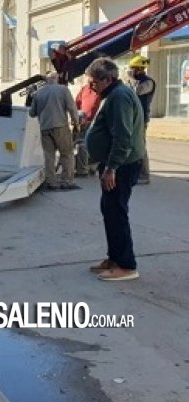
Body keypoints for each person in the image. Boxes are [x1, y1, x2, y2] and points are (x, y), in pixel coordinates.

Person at [85, 57, 145, 282]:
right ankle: (114, 258)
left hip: (122, 164)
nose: (92, 87)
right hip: (115, 163)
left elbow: (123, 136)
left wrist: (111, 168)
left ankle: (127, 266)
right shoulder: (113, 93)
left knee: (116, 212)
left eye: (94, 83)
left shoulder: (119, 97)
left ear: (108, 78)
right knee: (109, 210)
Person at [29, 72, 80, 190]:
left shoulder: (38, 93)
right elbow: (72, 108)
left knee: (49, 155)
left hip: (44, 128)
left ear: (46, 80)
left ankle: (51, 182)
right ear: (56, 78)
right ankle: (67, 181)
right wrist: (76, 122)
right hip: (60, 126)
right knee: (66, 153)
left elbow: (32, 113)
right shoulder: (63, 90)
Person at [127, 55, 155, 185]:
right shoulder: (135, 81)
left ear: (139, 69)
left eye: (132, 69)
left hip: (141, 119)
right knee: (132, 146)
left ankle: (144, 175)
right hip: (132, 118)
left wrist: (131, 80)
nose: (131, 71)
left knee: (140, 146)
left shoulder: (148, 82)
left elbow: (136, 92)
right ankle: (134, 172)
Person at [75, 80, 102, 176]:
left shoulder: (101, 89)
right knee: (82, 145)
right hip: (83, 122)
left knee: (86, 146)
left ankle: (85, 169)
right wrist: (78, 116)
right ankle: (87, 167)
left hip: (95, 122)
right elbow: (77, 103)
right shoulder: (85, 88)